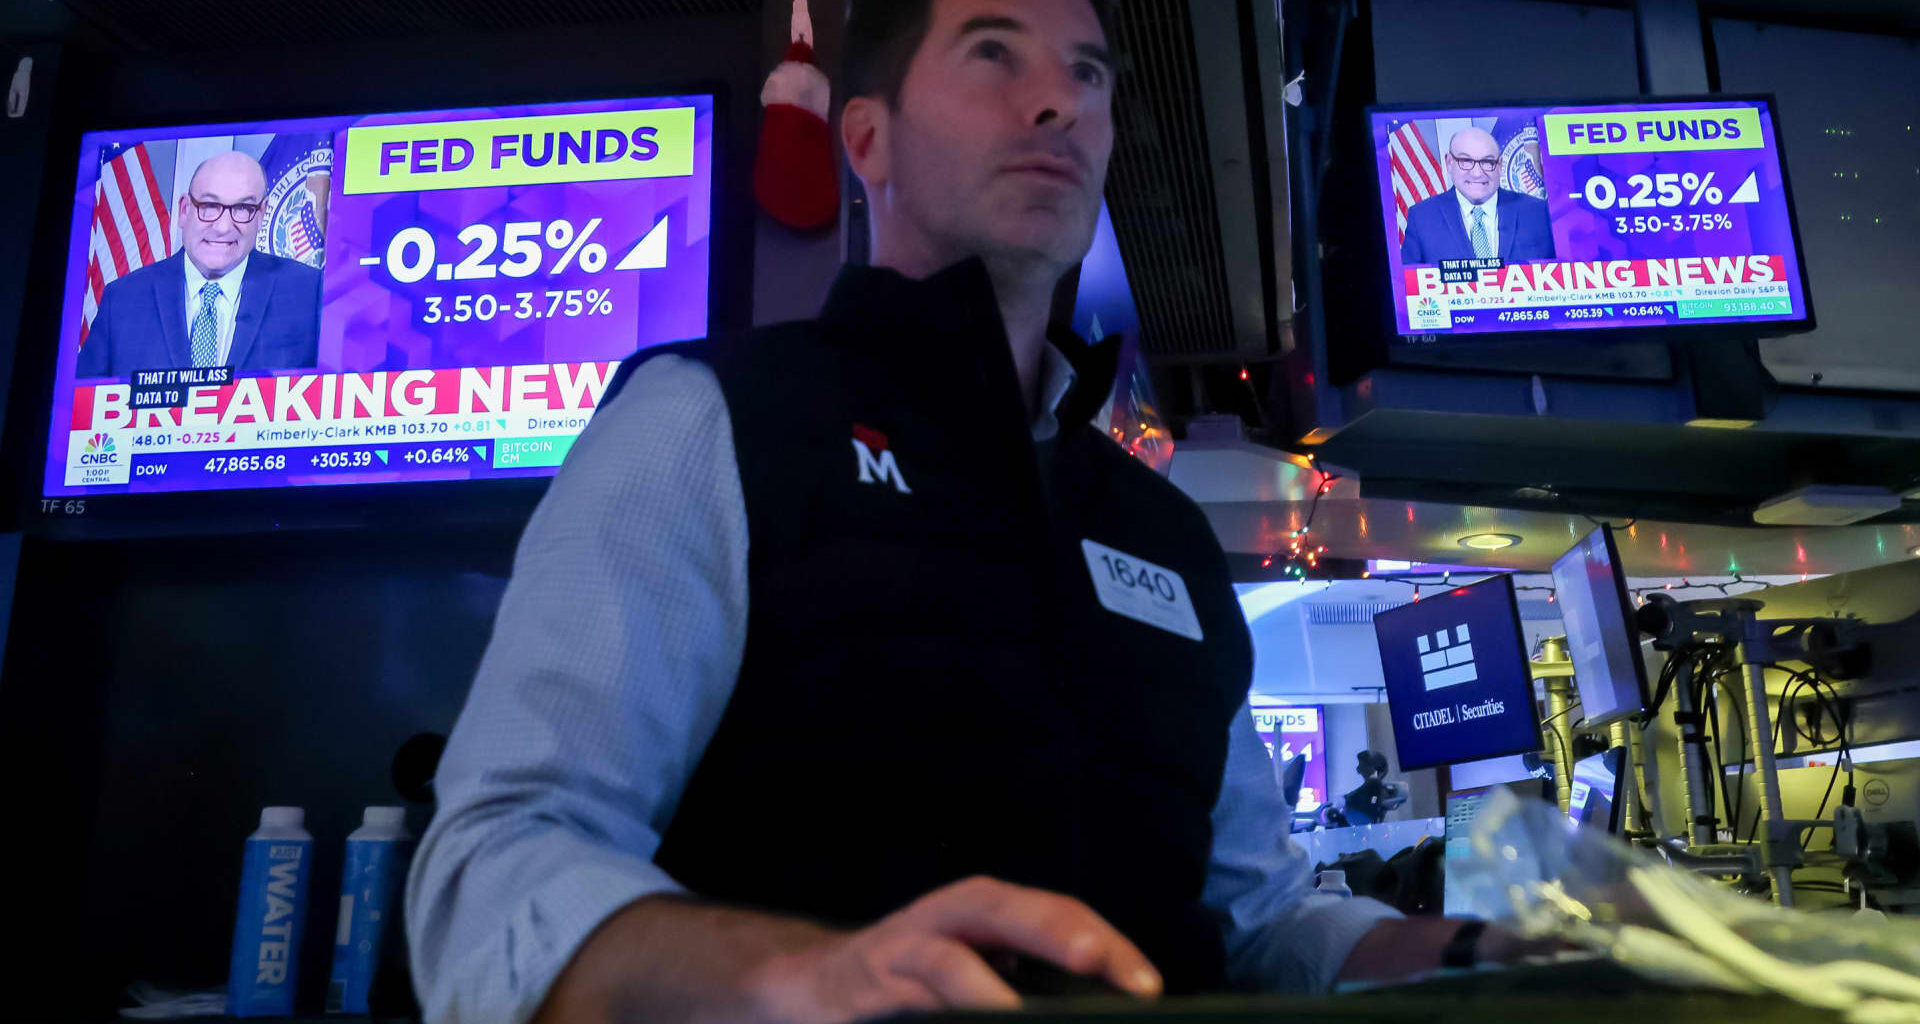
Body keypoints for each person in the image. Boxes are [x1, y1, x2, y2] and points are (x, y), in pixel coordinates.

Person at [406, 3, 1545, 1023]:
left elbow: (1262, 924)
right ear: (867, 139)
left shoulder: (1163, 532)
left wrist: (1478, 957)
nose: (1058, 101)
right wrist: (805, 977)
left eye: (1088, 73)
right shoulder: (712, 419)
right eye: (994, 52)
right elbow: (494, 871)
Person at [75, 150, 321, 378]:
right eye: (210, 206)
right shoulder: (123, 299)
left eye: (243, 208)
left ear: (261, 214)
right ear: (184, 209)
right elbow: (83, 403)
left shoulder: (309, 293)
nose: (223, 227)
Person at [1398, 126, 1554, 265]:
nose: (1477, 173)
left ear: (1499, 165)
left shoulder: (1539, 212)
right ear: (1449, 162)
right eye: (1466, 161)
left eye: (1487, 162)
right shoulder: (1422, 217)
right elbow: (1407, 282)